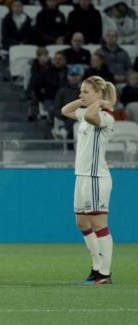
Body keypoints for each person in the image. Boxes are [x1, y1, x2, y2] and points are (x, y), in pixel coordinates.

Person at [60, 75, 116, 285]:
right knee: (82, 223)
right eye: (81, 90)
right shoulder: (86, 112)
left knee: (99, 223)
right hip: (82, 176)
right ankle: (96, 267)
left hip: (95, 177)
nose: (80, 94)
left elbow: (93, 117)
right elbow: (65, 110)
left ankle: (105, 273)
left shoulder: (106, 116)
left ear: (98, 93)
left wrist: (100, 102)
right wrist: (85, 100)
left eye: (85, 91)